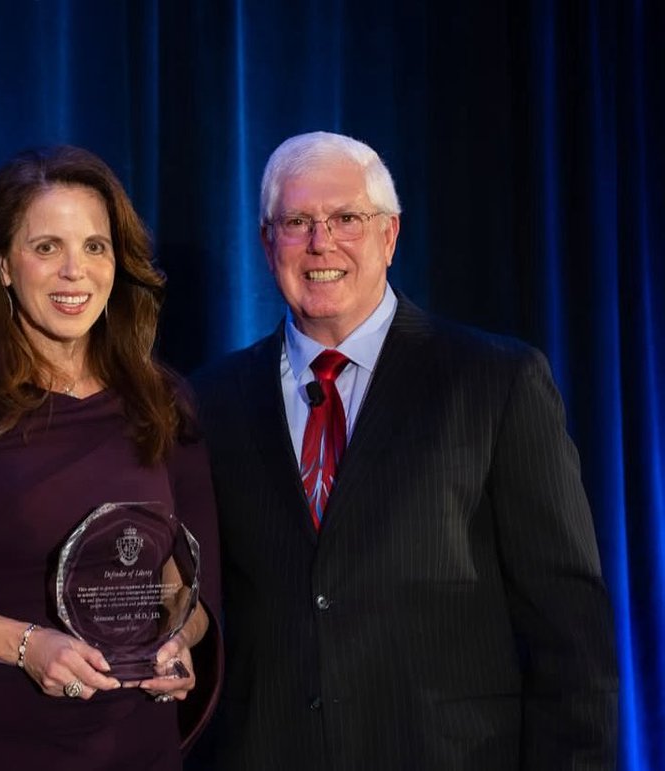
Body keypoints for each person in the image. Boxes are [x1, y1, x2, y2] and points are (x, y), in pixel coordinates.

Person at [190, 131, 618, 770]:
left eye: (346, 219)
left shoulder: (495, 381)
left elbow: (570, 629)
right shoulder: (210, 401)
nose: (321, 242)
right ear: (266, 242)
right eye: (297, 222)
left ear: (389, 236)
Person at [0, 145, 222, 770]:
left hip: (138, 744)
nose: (76, 271)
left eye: (95, 247)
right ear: (3, 265)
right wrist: (26, 646)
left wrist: (180, 642)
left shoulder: (163, 401)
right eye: (47, 247)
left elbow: (191, 591)